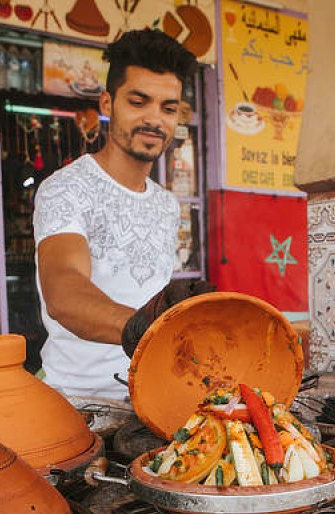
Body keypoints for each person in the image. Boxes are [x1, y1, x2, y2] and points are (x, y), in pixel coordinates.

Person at [33, 30, 209, 399]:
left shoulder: (166, 205)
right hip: (78, 401)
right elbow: (63, 290)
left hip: (152, 395)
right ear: (108, 103)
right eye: (138, 102)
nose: (154, 120)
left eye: (168, 108)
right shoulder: (66, 188)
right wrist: (146, 329)